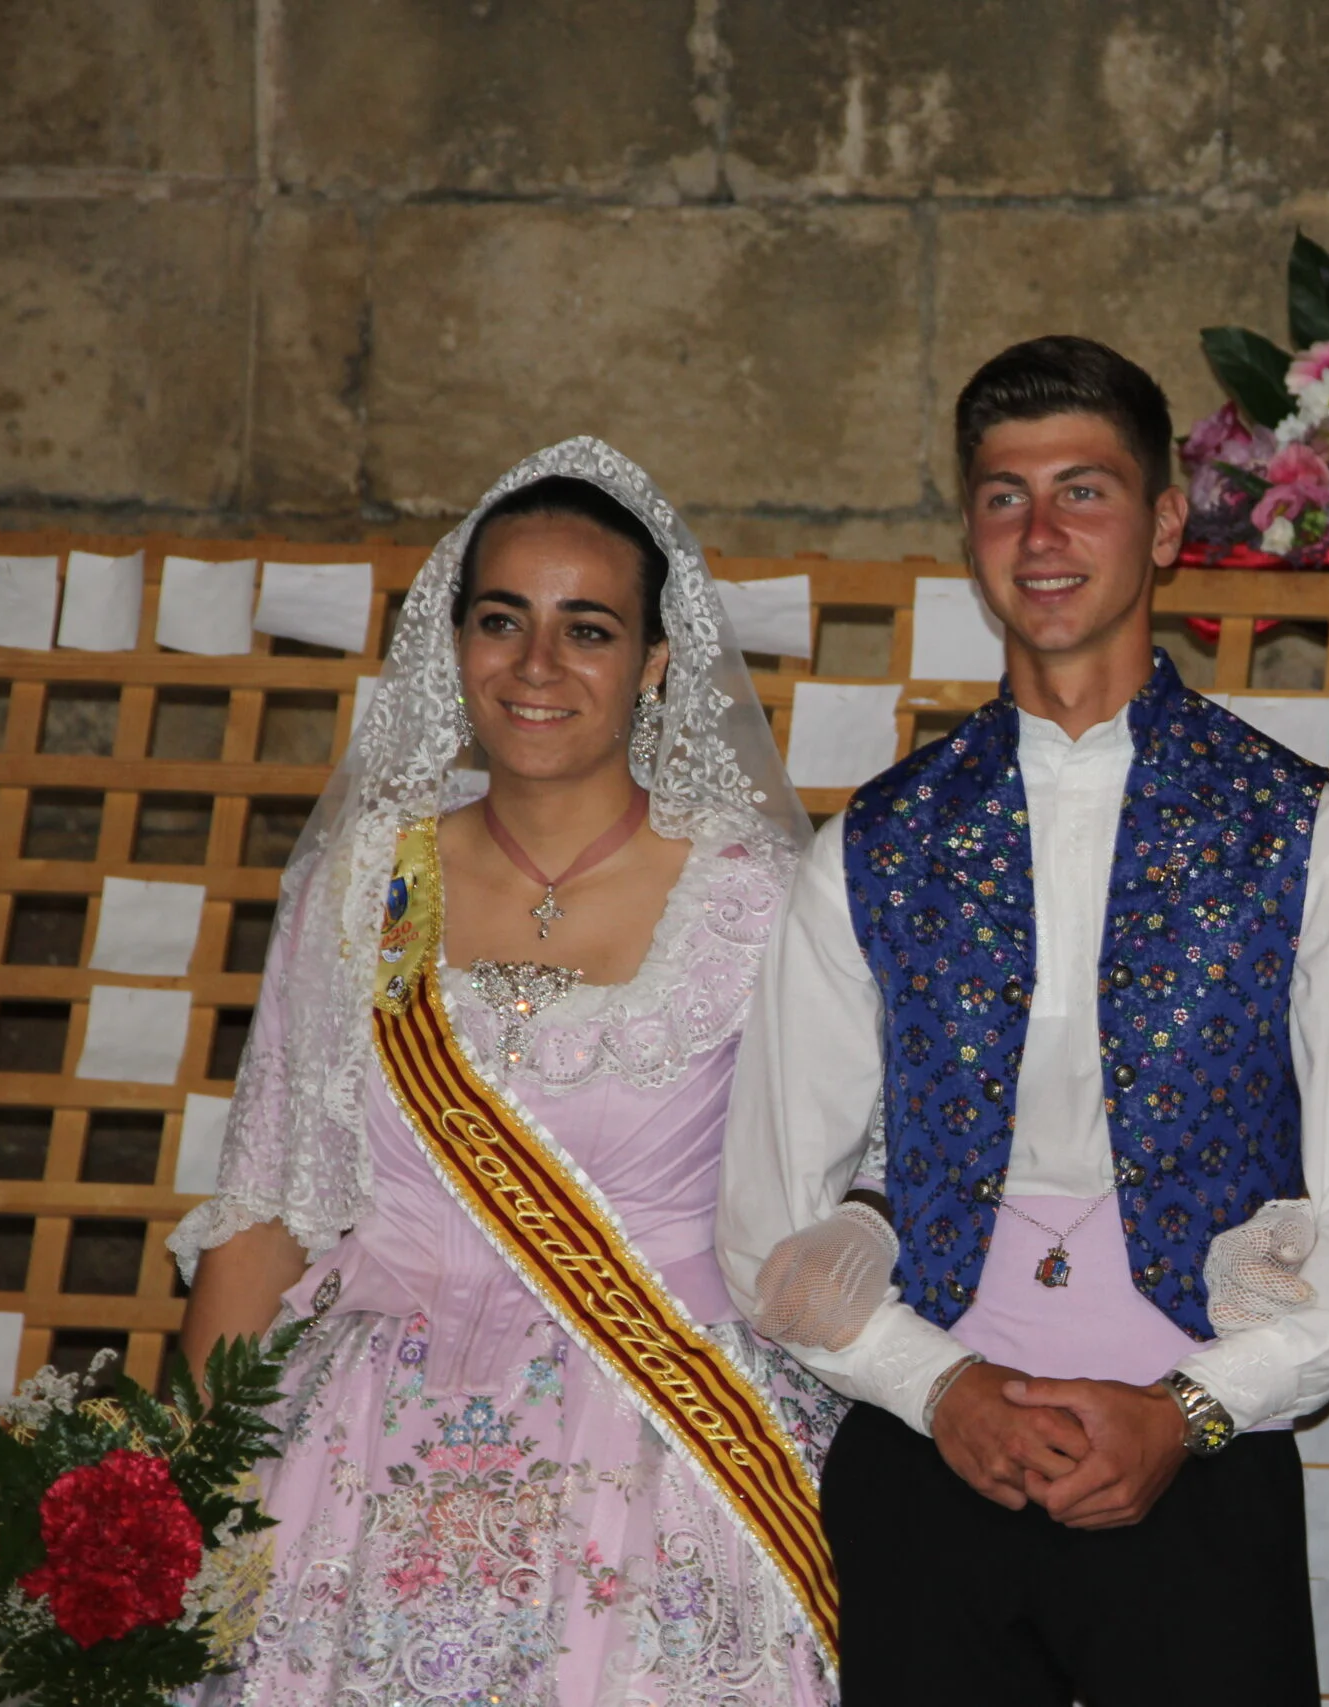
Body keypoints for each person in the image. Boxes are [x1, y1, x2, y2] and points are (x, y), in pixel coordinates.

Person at [716, 334, 1329, 1707]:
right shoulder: (871, 849)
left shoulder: (1305, 837)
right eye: (1005, 495)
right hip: (927, 1454)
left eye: (1085, 490)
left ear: (1167, 521)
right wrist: (940, 1387)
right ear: (969, 533)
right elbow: (770, 1211)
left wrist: (1190, 1407)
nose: (1042, 532)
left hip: (1201, 1453)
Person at [170, 439, 840, 1706]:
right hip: (354, 1460)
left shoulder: (762, 903)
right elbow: (267, 1205)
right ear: (454, 641)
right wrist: (182, 1503)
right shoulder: (363, 881)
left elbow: (828, 1218)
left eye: (587, 628)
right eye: (502, 620)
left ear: (652, 667)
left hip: (659, 1453)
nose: (537, 666)